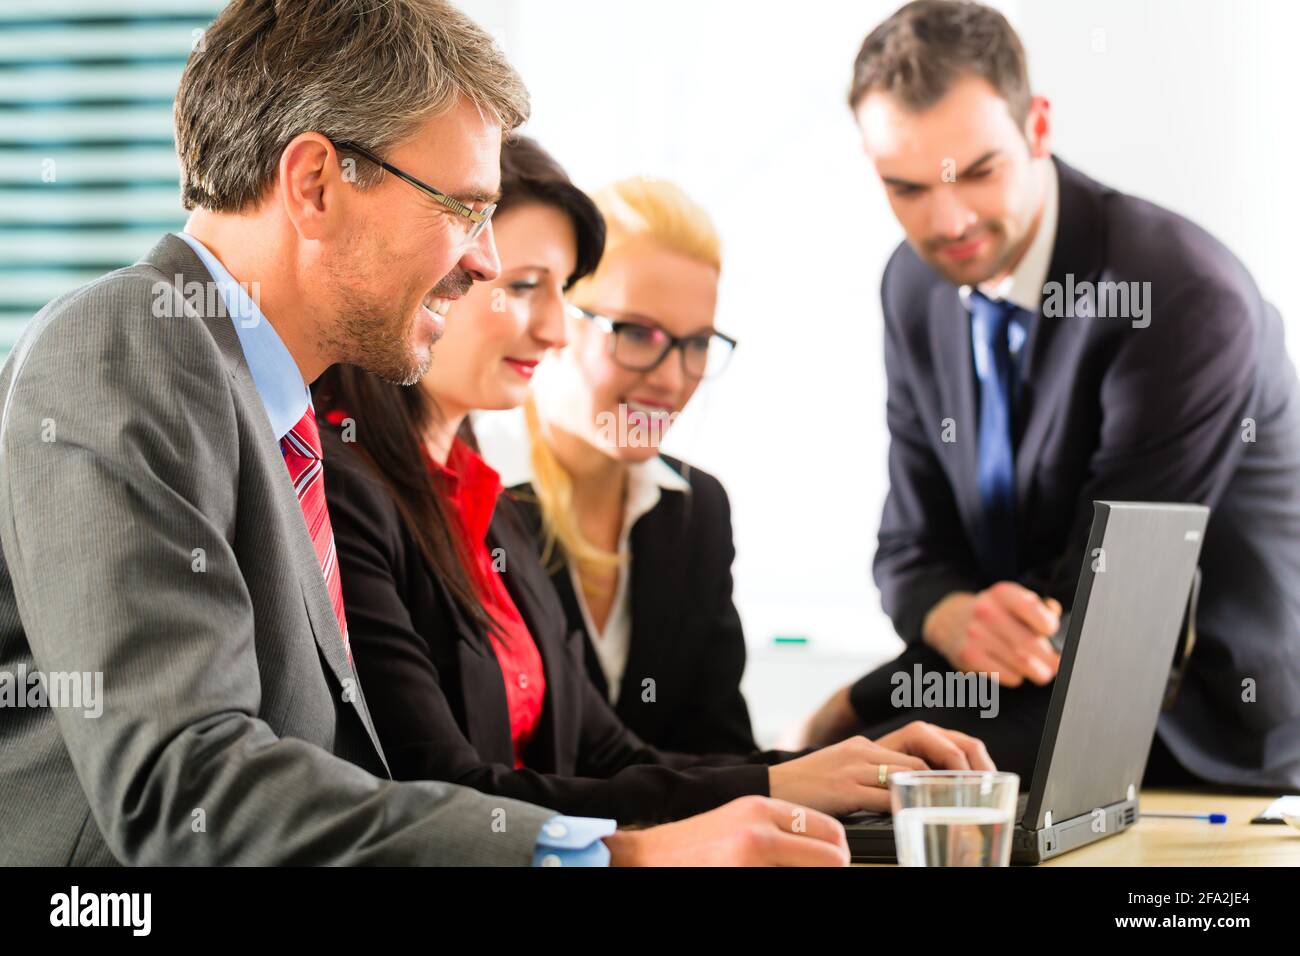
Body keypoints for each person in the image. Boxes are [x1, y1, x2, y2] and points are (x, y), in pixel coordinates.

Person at [0, 0, 850, 867]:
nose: (483, 260)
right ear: (316, 184)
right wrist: (614, 858)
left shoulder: (272, 413)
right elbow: (185, 791)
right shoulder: (128, 343)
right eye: (462, 207)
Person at [315, 136, 995, 826]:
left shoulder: (478, 503)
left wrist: (823, 766)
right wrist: (776, 788)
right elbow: (453, 798)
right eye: (525, 286)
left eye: (697, 343)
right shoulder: (358, 490)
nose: (671, 377)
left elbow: (615, 756)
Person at [790, 0, 1300, 790]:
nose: (948, 220)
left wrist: (854, 703)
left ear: (1039, 128)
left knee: (815, 778)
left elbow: (1094, 614)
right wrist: (947, 616)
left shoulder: (1181, 297)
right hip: (1023, 708)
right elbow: (911, 551)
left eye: (980, 172)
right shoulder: (913, 285)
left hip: (1201, 749)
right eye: (906, 187)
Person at [472, 174, 755, 755]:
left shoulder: (696, 511)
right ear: (554, 319)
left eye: (697, 343)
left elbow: (721, 754)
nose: (673, 379)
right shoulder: (473, 496)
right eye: (637, 333)